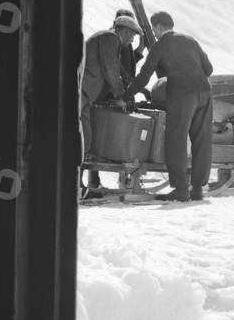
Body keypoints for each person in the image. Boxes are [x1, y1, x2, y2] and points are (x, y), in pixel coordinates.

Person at [124, 10, 213, 202]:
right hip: (205, 92)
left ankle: (181, 189)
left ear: (158, 27)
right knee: (202, 141)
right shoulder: (190, 40)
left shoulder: (160, 45)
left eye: (154, 30)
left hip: (182, 95)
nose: (154, 34)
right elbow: (209, 69)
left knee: (176, 140)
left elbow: (144, 76)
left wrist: (126, 96)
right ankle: (197, 189)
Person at [80, 15, 144, 198]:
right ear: (124, 31)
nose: (132, 40)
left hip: (85, 94)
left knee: (83, 136)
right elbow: (110, 69)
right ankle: (77, 187)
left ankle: (80, 186)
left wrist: (133, 87)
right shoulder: (111, 38)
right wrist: (120, 96)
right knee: (81, 138)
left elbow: (117, 69)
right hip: (82, 92)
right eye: (132, 36)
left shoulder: (108, 39)